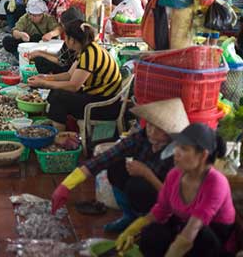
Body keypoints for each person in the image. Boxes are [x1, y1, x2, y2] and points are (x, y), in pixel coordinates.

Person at [52, 99, 190, 232]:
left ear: (171, 132)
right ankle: (129, 216)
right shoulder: (140, 138)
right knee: (116, 165)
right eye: (149, 124)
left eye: (159, 129)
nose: (151, 131)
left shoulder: (180, 155)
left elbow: (175, 200)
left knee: (138, 186)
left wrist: (146, 173)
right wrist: (66, 185)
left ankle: (149, 223)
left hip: (168, 208)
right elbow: (105, 158)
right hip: (142, 187)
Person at [116, 123, 236, 257]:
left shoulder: (216, 183)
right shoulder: (174, 174)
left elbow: (193, 229)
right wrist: (132, 229)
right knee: (152, 233)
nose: (176, 153)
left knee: (199, 238)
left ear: (203, 156)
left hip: (213, 239)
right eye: (177, 146)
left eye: (184, 149)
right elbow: (161, 210)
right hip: (185, 225)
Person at [28, 20, 122, 130]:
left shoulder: (89, 54)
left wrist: (45, 83)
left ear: (72, 40)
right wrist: (45, 78)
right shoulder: (86, 49)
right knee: (56, 91)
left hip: (104, 106)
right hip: (97, 97)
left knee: (59, 96)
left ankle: (58, 134)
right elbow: (69, 75)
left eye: (66, 37)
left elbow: (73, 86)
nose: (64, 40)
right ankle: (55, 123)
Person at [28, 7, 84, 74]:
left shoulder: (75, 41)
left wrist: (44, 81)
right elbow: (60, 55)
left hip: (70, 71)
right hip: (69, 70)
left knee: (40, 60)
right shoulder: (72, 36)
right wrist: (39, 52)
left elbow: (62, 62)